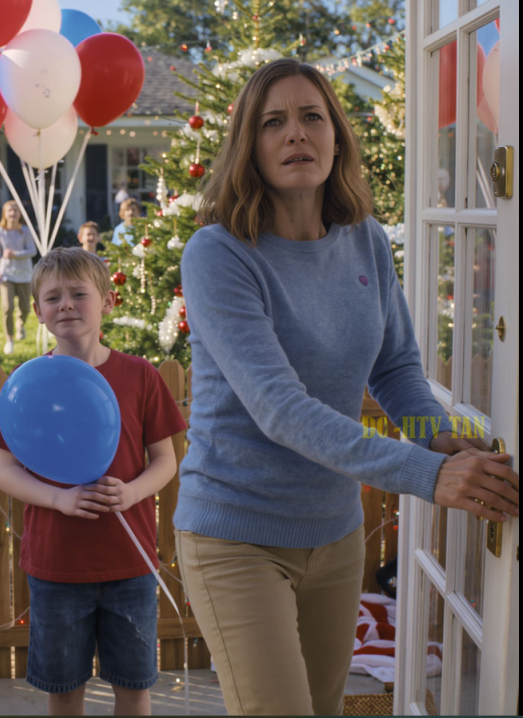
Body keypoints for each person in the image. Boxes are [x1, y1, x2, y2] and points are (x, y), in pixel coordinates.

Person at [174, 59, 519, 716]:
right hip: (236, 537)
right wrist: (424, 473)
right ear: (250, 144)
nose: (295, 134)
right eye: (273, 122)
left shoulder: (363, 242)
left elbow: (394, 367)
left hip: (333, 538)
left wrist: (435, 436)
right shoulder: (219, 254)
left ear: (337, 136)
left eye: (312, 116)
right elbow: (279, 409)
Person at [0, 247, 187, 716]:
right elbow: (4, 471)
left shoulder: (140, 375)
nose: (67, 305)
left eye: (79, 293)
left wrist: (132, 491)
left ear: (108, 301)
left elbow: (165, 459)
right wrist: (60, 498)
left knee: (134, 688)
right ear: (37, 312)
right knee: (64, 690)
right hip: (58, 568)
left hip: (130, 564)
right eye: (53, 297)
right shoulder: (24, 384)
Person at [0, 200, 36, 356]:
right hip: (6, 274)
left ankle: (20, 324)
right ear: (5, 213)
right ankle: (9, 339)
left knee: (26, 307)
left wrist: (15, 254)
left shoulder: (25, 230)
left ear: (20, 213)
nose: (13, 213)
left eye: (16, 210)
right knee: (7, 307)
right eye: (10, 210)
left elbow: (32, 251)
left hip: (24, 274)